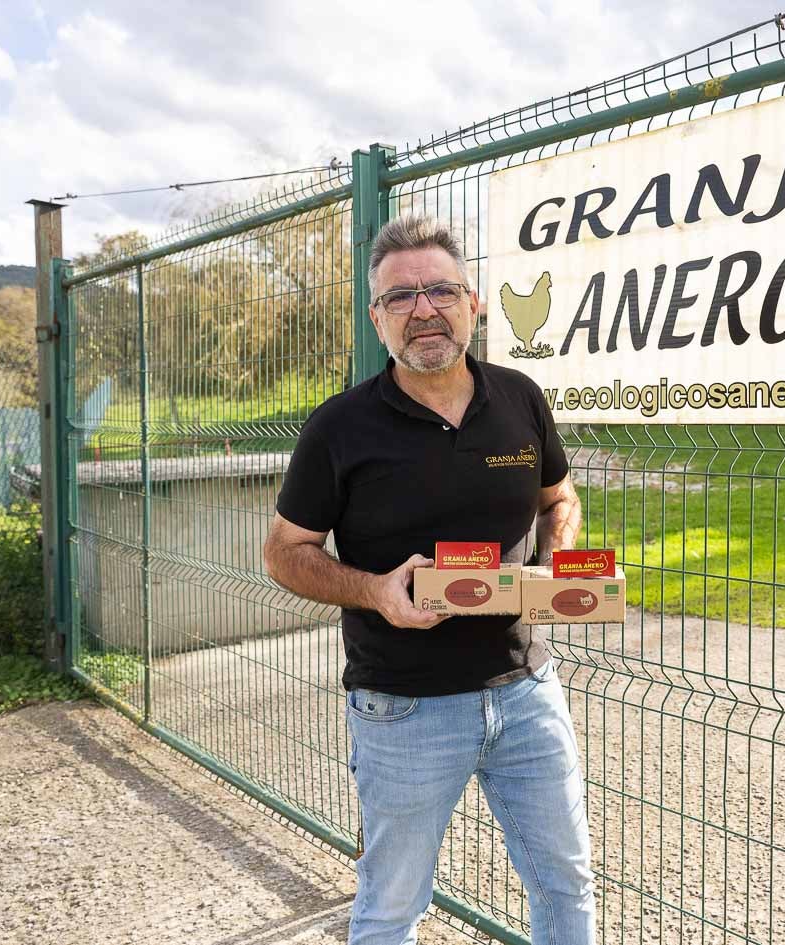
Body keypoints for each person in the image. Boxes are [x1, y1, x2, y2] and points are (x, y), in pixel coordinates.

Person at [262, 214, 594, 945]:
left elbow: (558, 497)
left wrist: (551, 561)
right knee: (391, 909)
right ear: (377, 318)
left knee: (565, 885)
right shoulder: (338, 428)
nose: (423, 310)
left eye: (439, 290)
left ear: (472, 302)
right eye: (400, 297)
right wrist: (374, 589)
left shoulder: (519, 399)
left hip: (526, 690)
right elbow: (285, 549)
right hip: (403, 708)